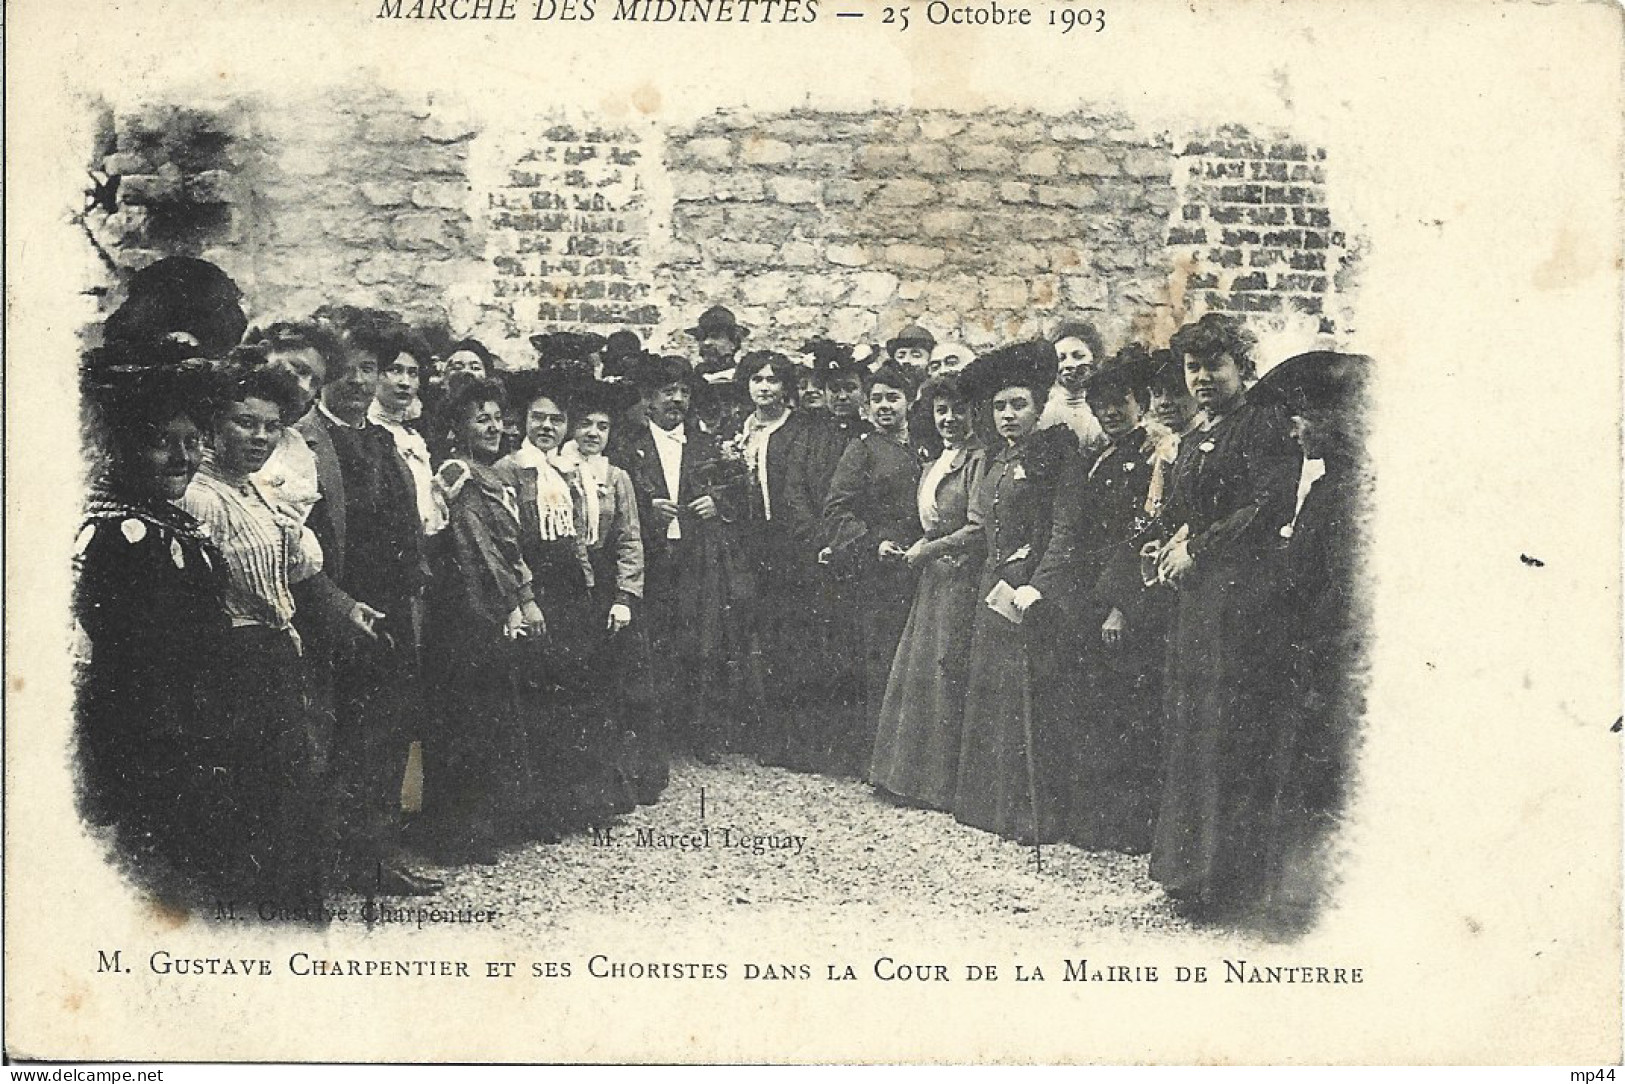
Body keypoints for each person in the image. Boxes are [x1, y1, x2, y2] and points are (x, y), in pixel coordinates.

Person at [1142, 313, 1302, 919]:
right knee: (1192, 726)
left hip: (1241, 602)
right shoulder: (1196, 433)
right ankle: (1189, 872)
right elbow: (1191, 508)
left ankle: (1230, 881)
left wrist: (1199, 549)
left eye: (1215, 365)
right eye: (1193, 367)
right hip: (1197, 604)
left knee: (1228, 732)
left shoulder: (1263, 428)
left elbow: (1264, 508)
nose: (1203, 378)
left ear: (1241, 367)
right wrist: (1171, 541)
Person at [181, 356, 348, 909]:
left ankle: (291, 913)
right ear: (212, 427)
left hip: (276, 652)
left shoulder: (258, 492)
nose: (259, 437)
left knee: (290, 793)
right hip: (235, 659)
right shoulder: (201, 496)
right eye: (244, 423)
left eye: (270, 426)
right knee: (256, 797)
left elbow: (299, 569)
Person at [74, 350, 231, 906]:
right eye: (163, 442)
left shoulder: (177, 526)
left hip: (187, 723)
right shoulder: (118, 534)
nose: (181, 458)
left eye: (192, 443)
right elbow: (128, 653)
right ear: (123, 449)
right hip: (145, 731)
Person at [299, 306, 438, 895]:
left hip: (390, 609)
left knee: (384, 729)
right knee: (337, 732)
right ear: (328, 374)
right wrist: (338, 604)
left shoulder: (383, 440)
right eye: (350, 369)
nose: (360, 381)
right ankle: (331, 856)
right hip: (335, 608)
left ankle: (374, 853)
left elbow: (409, 524)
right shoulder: (307, 438)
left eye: (370, 369)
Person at [1249, 351, 1374, 934]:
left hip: (1328, 662)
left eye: (1304, 415)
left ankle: (1305, 913)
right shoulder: (1331, 487)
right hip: (1313, 656)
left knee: (1320, 779)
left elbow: (1341, 592)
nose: (1295, 427)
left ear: (1339, 419)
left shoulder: (1351, 495)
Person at [1022, 347, 1166, 853]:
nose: (1110, 411)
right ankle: (1095, 820)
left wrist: (1121, 604)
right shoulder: (1101, 455)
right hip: (1086, 596)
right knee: (1095, 711)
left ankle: (1130, 827)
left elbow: (1139, 536)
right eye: (1102, 403)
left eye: (1121, 401)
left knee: (1127, 715)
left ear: (1141, 402)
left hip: (1121, 601)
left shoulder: (1151, 458)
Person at [950, 341, 1078, 843]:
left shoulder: (1056, 453)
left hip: (1029, 594)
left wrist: (1040, 586)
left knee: (1029, 702)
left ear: (1039, 406)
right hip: (992, 587)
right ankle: (989, 808)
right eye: (1000, 406)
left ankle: (1032, 818)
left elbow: (1065, 528)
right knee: (992, 697)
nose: (1008, 415)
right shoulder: (999, 459)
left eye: (1018, 404)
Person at [423, 377, 545, 863]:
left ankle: (487, 823)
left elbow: (511, 549)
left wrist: (527, 594)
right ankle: (456, 833)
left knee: (492, 713)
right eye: (481, 418)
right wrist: (511, 604)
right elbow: (476, 547)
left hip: (494, 600)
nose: (494, 427)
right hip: (466, 605)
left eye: (497, 418)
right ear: (458, 426)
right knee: (466, 717)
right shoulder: (458, 472)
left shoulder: (496, 474)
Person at [497, 369, 618, 833]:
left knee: (575, 696)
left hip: (571, 590)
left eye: (557, 420)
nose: (547, 427)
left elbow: (578, 539)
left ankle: (576, 802)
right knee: (538, 698)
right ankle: (539, 810)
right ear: (523, 421)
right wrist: (525, 596)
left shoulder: (572, 470)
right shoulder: (512, 468)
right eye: (538, 418)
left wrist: (587, 585)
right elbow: (509, 542)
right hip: (536, 589)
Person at [611, 354, 746, 763]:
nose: (677, 400)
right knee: (652, 642)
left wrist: (716, 502)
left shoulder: (705, 443)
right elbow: (615, 492)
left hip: (695, 556)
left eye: (684, 392)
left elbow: (738, 490)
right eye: (668, 392)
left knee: (699, 641)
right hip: (650, 555)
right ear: (648, 399)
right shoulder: (626, 444)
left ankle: (698, 731)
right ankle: (654, 735)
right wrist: (645, 507)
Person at [869, 373, 987, 809]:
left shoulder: (978, 459)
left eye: (958, 410)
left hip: (959, 577)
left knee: (944, 672)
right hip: (933, 577)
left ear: (975, 412)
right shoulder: (939, 457)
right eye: (941, 411)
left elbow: (978, 527)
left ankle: (939, 785)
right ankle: (907, 778)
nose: (950, 419)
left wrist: (930, 549)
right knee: (919, 674)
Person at [556, 378, 667, 805]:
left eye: (601, 427)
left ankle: (624, 781)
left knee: (622, 683)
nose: (592, 434)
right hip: (565, 582)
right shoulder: (555, 469)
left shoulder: (617, 476)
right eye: (584, 424)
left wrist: (625, 597)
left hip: (606, 585)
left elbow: (629, 539)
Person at [820, 359, 925, 777]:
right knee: (881, 661)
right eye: (876, 399)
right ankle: (880, 762)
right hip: (881, 573)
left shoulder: (924, 448)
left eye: (893, 398)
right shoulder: (861, 450)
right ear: (866, 406)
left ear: (910, 401)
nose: (884, 406)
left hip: (924, 565)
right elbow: (837, 510)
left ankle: (915, 758)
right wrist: (872, 543)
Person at [729, 350, 828, 770]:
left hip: (795, 547)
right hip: (757, 546)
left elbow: (812, 490)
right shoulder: (744, 433)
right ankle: (768, 734)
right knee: (764, 639)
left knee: (798, 639)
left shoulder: (802, 431)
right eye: (757, 379)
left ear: (786, 388)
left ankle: (801, 740)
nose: (764, 387)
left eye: (772, 380)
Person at [1039, 320, 1106, 449]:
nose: (1069, 365)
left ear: (1094, 359)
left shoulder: (1103, 412)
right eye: (1061, 358)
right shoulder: (1042, 412)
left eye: (1078, 356)